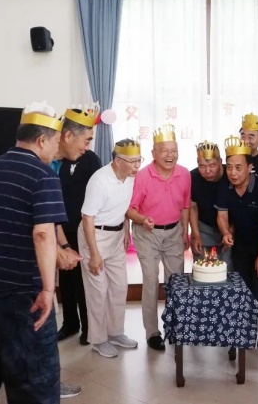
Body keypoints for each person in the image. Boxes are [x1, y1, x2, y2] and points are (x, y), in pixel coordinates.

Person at [0, 101, 68, 403]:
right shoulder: (43, 175)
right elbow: (43, 234)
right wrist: (48, 289)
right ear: (42, 140)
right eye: (55, 142)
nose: (56, 149)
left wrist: (0, 240)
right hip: (22, 292)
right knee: (34, 381)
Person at [126, 124, 191, 351]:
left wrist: (184, 231)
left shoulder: (184, 174)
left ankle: (175, 326)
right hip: (147, 234)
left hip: (174, 232)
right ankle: (152, 332)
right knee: (151, 281)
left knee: (176, 282)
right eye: (164, 151)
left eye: (174, 150)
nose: (169, 155)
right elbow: (130, 209)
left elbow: (185, 206)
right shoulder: (143, 176)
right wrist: (143, 219)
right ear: (153, 153)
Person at [78, 139, 143, 358]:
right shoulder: (100, 181)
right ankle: (98, 340)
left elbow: (123, 206)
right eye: (132, 161)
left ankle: (115, 333)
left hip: (116, 234)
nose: (137, 166)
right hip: (94, 235)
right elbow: (87, 218)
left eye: (139, 160)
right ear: (117, 161)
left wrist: (125, 229)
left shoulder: (129, 177)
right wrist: (94, 254)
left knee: (119, 286)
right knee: (98, 291)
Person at [215, 136, 258, 333]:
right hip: (240, 244)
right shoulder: (224, 186)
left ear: (250, 167)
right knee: (242, 286)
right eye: (229, 167)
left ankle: (254, 329)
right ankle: (242, 328)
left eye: (238, 168)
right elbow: (222, 215)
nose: (232, 173)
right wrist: (226, 233)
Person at [55, 107, 102, 346]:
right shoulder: (56, 161)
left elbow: (98, 195)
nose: (86, 146)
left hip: (84, 229)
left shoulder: (91, 160)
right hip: (60, 229)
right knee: (66, 280)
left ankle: (88, 326)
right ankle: (70, 323)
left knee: (84, 281)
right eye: (85, 139)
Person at [189, 141, 231, 268]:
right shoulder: (193, 177)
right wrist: (195, 234)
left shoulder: (231, 174)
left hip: (229, 226)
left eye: (212, 165)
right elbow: (193, 207)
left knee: (227, 268)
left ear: (220, 161)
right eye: (202, 166)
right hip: (203, 227)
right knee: (201, 267)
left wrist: (230, 232)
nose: (207, 171)